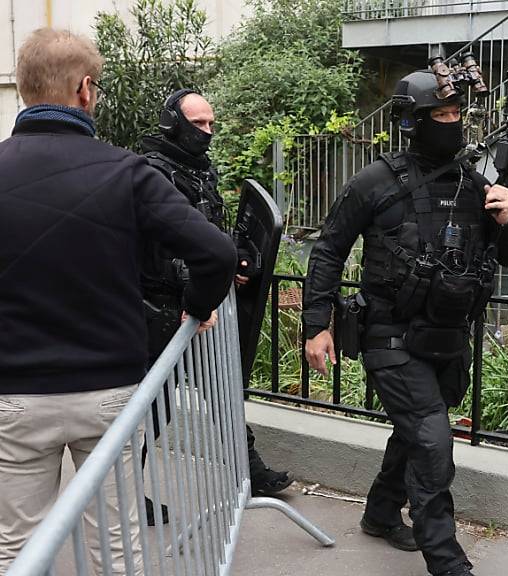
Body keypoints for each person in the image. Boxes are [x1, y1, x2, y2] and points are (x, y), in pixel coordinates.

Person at [0, 28, 236, 574]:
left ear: (24, 89)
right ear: (86, 90)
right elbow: (216, 254)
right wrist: (197, 310)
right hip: (108, 389)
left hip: (13, 393)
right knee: (115, 545)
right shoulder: (126, 172)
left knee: (16, 549)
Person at [303, 69, 508, 576]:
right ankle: (448, 563)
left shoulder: (476, 183)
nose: (452, 124)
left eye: (456, 115)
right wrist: (318, 326)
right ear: (413, 121)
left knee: (415, 431)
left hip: (446, 336)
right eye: (440, 116)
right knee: (431, 442)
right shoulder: (373, 182)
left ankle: (380, 515)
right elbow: (328, 252)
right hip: (389, 335)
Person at [138, 88, 293, 513]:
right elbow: (157, 250)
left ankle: (251, 470)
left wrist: (235, 255)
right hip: (165, 309)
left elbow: (204, 232)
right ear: (173, 124)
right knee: (154, 408)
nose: (207, 132)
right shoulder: (153, 173)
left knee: (221, 391)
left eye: (211, 123)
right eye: (198, 124)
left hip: (200, 305)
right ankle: (126, 496)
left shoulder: (197, 170)